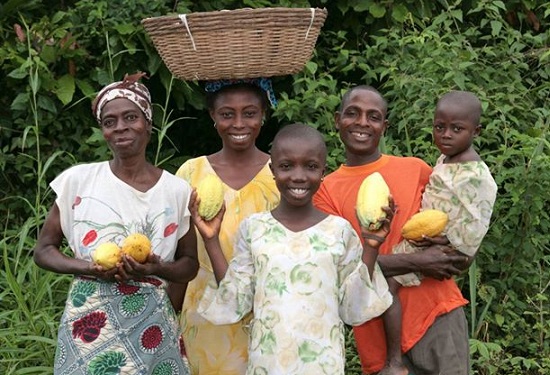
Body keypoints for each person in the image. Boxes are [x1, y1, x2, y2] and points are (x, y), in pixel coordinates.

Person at [191, 123, 393, 374]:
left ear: (323, 171)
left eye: (310, 166)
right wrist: (211, 240)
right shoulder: (255, 228)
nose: (298, 176)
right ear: (272, 169)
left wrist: (371, 247)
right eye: (287, 166)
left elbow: (354, 308)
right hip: (268, 365)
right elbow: (236, 301)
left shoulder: (339, 231)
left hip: (323, 366)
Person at [33, 72, 199, 375]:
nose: (120, 127)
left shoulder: (176, 191)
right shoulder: (78, 182)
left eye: (130, 117)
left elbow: (189, 265)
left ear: (148, 123)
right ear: (103, 132)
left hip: (151, 321)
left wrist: (155, 268)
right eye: (109, 122)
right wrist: (89, 268)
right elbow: (44, 250)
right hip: (89, 321)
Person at [313, 85, 475, 375]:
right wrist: (416, 261)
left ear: (384, 126)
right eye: (353, 113)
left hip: (437, 314)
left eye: (373, 116)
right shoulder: (325, 191)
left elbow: (457, 231)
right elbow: (341, 266)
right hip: (376, 333)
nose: (362, 122)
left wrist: (455, 252)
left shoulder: (416, 169)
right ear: (337, 120)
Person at [378, 90, 498, 375]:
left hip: (442, 244)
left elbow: (477, 216)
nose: (446, 135)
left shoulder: (475, 174)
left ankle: (393, 359)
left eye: (457, 129)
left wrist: (453, 242)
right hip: (427, 235)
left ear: (476, 131)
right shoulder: (447, 159)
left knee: (390, 283)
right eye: (439, 127)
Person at [174, 78, 280, 374]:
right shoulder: (190, 172)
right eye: (226, 114)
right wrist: (172, 310)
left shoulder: (281, 174)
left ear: (263, 115)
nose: (238, 123)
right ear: (212, 116)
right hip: (203, 312)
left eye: (249, 113)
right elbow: (180, 249)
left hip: (265, 312)